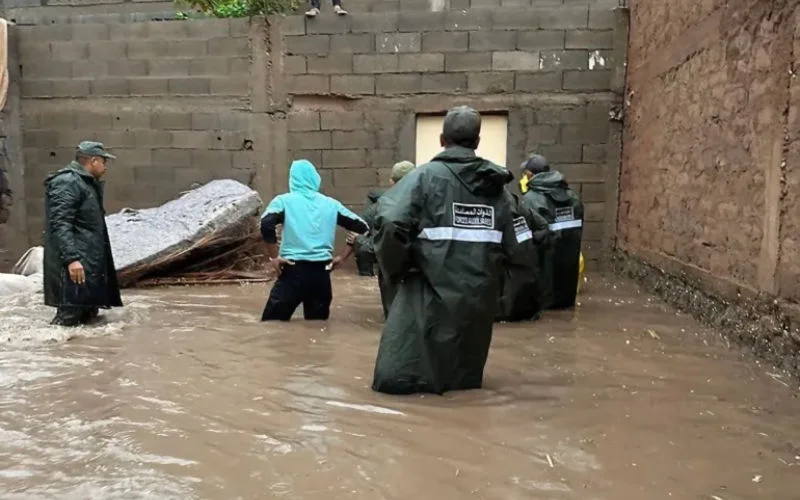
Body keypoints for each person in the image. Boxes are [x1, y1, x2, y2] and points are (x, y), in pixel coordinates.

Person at [371, 106, 529, 395]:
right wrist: (505, 296)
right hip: (477, 301)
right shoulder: (499, 191)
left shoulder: (424, 179)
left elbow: (390, 221)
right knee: (461, 383)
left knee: (399, 380)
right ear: (477, 142)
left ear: (442, 140)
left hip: (429, 292)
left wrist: (397, 269)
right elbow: (522, 247)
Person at [260, 159, 368, 321]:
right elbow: (363, 227)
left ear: (293, 179)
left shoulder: (283, 201)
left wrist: (274, 257)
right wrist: (342, 257)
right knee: (317, 328)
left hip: (292, 272)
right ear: (315, 179)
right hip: (321, 276)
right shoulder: (331, 204)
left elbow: (266, 224)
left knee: (271, 325)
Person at [43, 141, 122, 326]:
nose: (105, 167)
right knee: (67, 321)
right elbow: (60, 224)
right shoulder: (68, 182)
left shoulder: (86, 183)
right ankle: (56, 353)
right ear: (93, 161)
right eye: (104, 161)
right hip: (76, 266)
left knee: (89, 321)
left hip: (89, 265)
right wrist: (72, 259)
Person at [336, 160, 416, 319]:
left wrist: (343, 257)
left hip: (392, 269)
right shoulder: (432, 201)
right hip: (423, 270)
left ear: (392, 181)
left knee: (396, 319)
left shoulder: (383, 204)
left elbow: (359, 232)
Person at [520, 153, 584, 309]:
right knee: (565, 312)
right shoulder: (573, 197)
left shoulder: (530, 199)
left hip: (543, 285)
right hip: (568, 284)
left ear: (529, 174)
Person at [495, 188, 553, 322]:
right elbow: (544, 227)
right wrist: (531, 243)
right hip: (529, 275)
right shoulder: (519, 204)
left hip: (510, 277)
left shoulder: (495, 207)